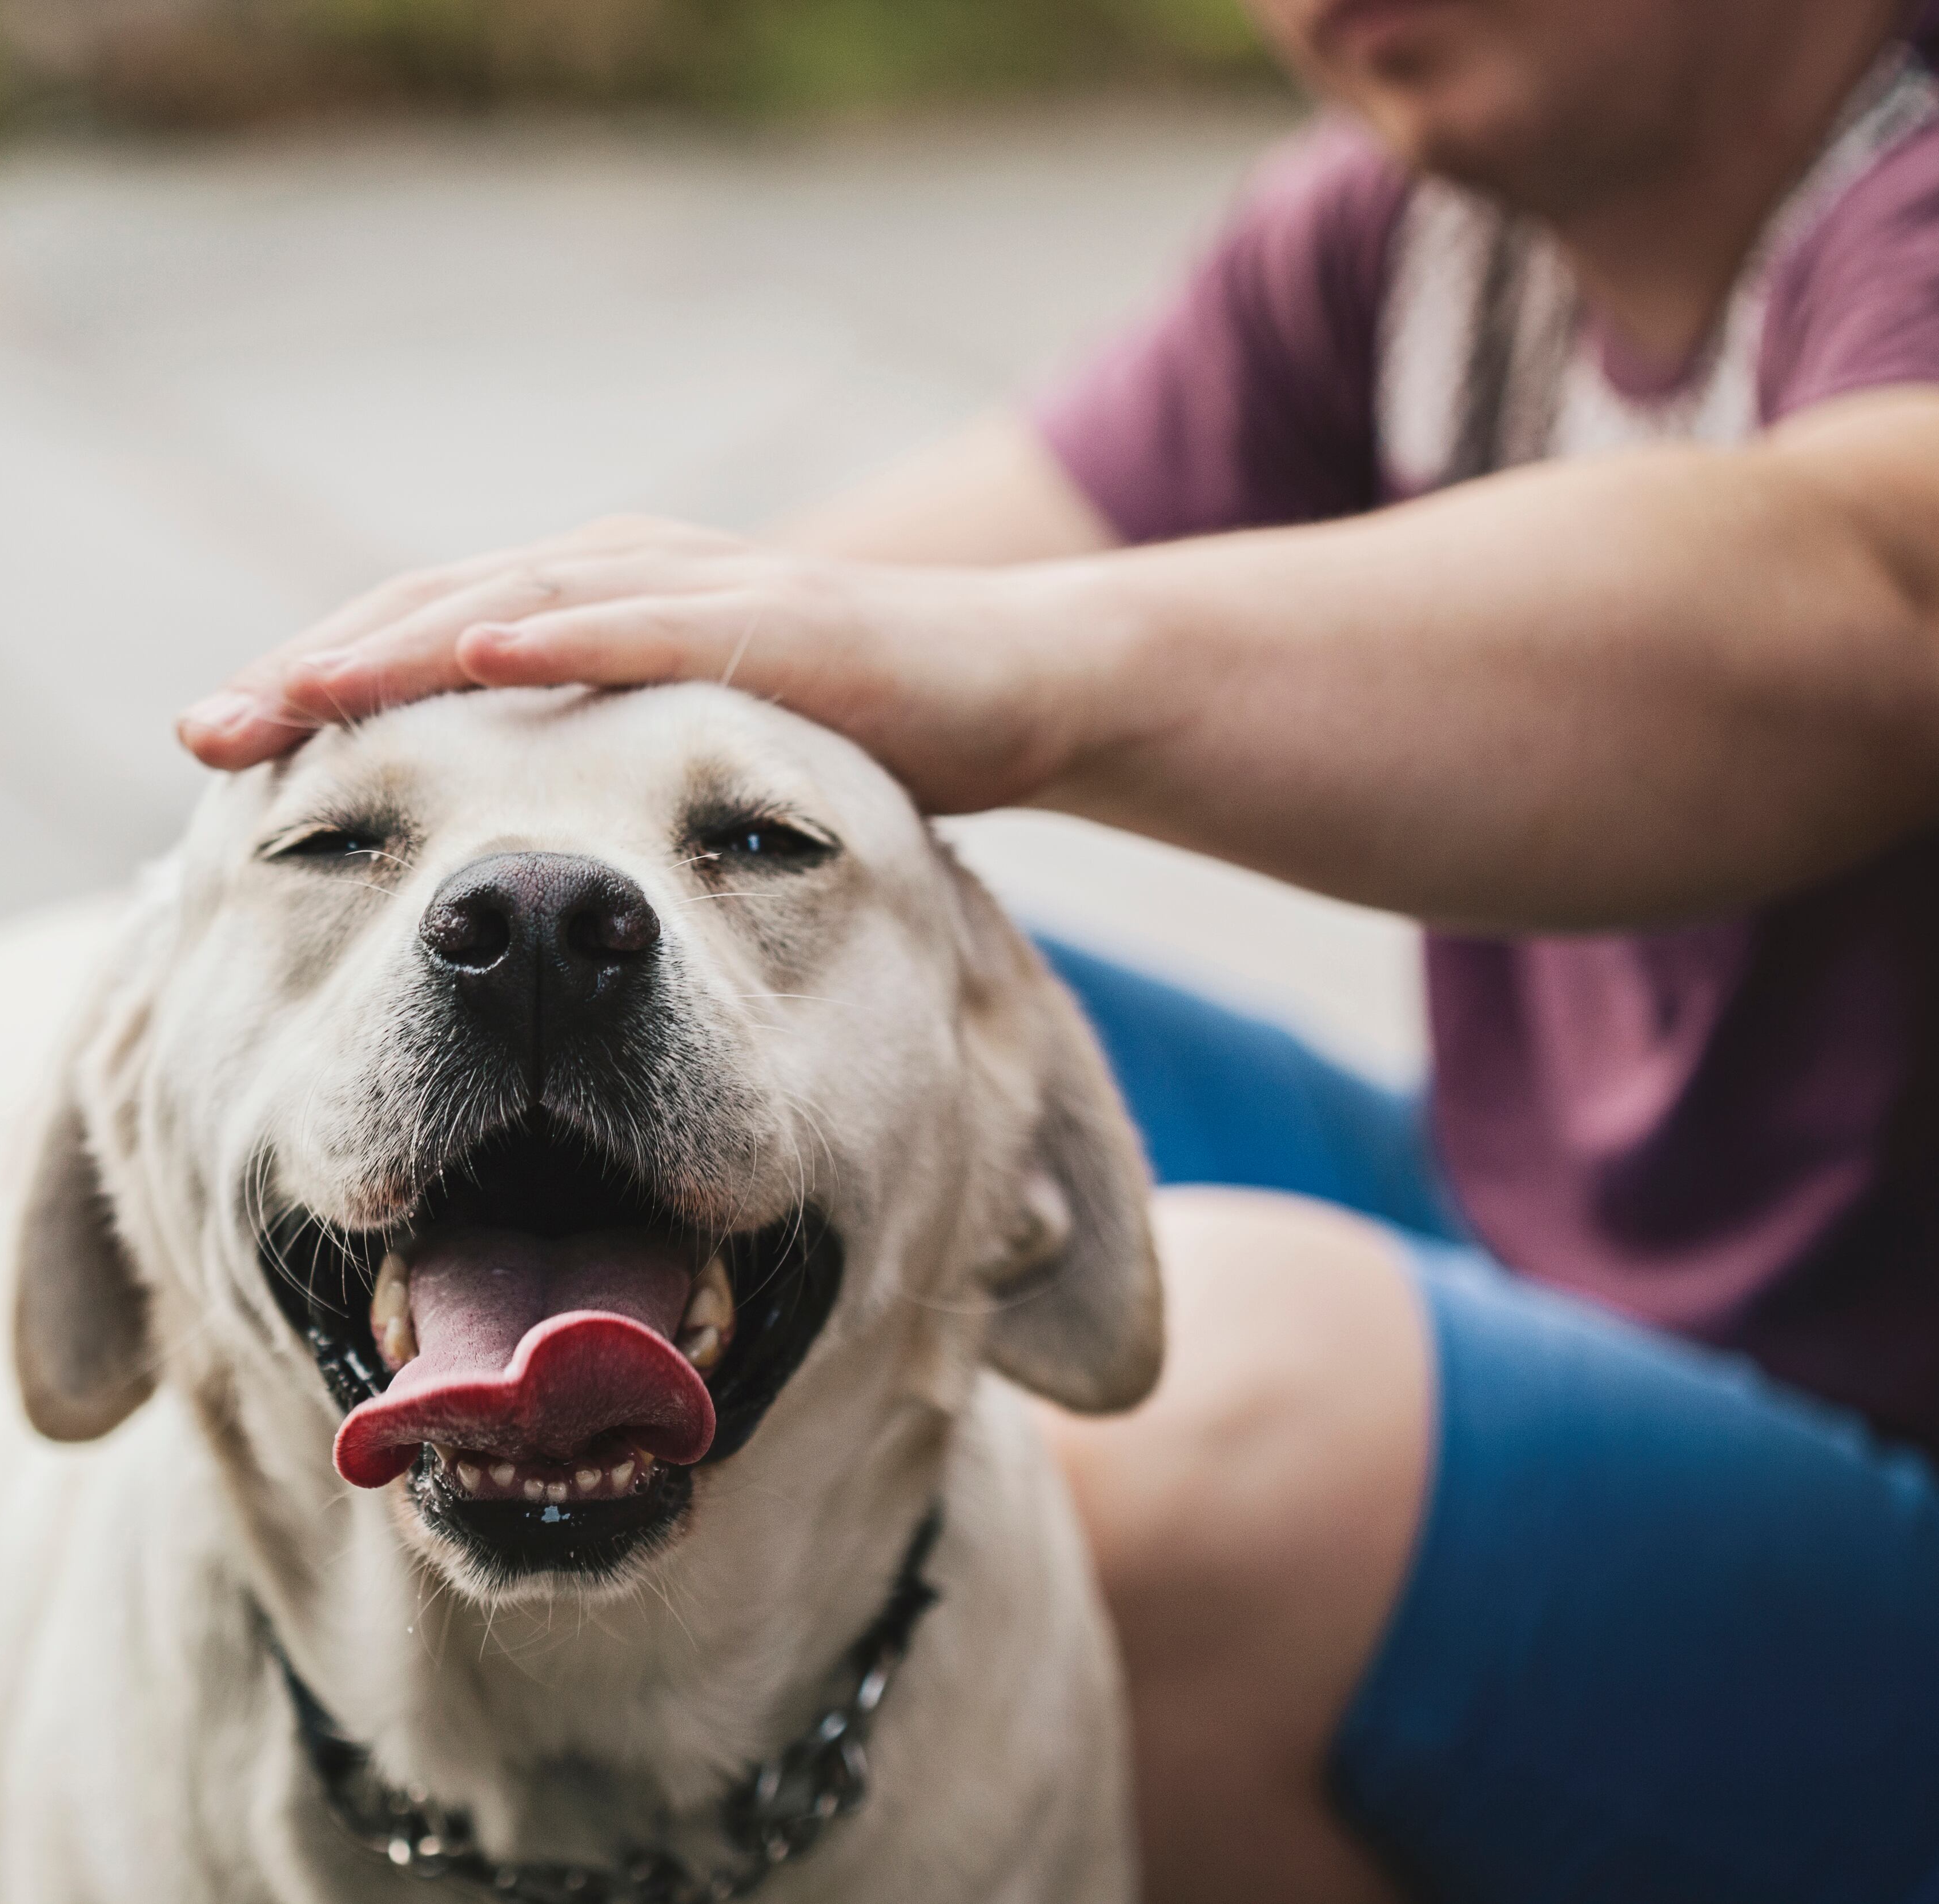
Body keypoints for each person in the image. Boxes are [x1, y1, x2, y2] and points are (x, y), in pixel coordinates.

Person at [175, 0, 1939, 1898]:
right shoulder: (1406, 238)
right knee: (868, 998)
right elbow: (745, 648)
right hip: (1563, 1243)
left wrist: (1025, 675)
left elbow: (1881, 582)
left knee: (1214, 1423)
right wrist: (364, 878)